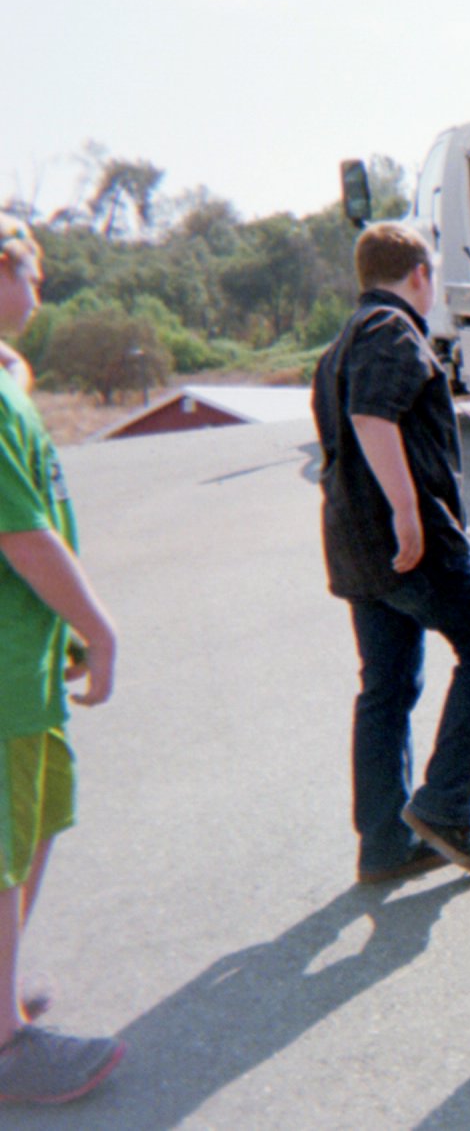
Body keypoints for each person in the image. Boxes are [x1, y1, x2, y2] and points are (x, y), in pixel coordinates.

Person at [313, 222, 470, 884]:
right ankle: (445, 806)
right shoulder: (392, 328)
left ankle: (384, 844)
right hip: (408, 539)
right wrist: (406, 509)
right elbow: (373, 416)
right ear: (420, 274)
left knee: (388, 686)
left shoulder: (341, 342)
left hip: (352, 543)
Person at [0, 219, 126, 1104]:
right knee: (3, 846)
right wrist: (101, 629)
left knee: (33, 827)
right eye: (29, 272)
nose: (38, 290)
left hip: (30, 657)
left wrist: (69, 626)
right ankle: (5, 1049)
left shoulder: (8, 379)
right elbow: (19, 532)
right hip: (6, 668)